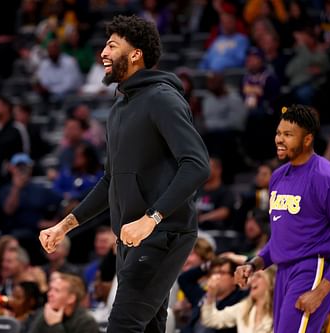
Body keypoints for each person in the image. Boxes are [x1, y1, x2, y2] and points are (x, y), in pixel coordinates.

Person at [39, 15, 210, 333]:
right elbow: (110, 181)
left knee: (122, 326)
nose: (103, 52)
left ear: (136, 54)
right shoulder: (117, 109)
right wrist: (65, 226)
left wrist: (151, 218)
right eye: (105, 44)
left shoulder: (162, 98)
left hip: (162, 234)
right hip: (130, 239)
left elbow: (197, 165)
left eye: (112, 45)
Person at [234, 105, 330, 333]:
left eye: (288, 135)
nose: (279, 140)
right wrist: (254, 264)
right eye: (278, 133)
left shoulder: (326, 178)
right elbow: (280, 239)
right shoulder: (277, 177)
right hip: (283, 271)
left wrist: (321, 291)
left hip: (313, 268)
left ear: (307, 140)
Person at [201, 266, 276, 333]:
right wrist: (211, 294)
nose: (252, 280)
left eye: (258, 276)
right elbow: (211, 319)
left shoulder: (279, 312)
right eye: (252, 276)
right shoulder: (243, 308)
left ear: (271, 282)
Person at [27, 272, 99, 333]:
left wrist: (55, 325)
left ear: (71, 298)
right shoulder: (45, 313)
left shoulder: (86, 322)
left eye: (56, 290)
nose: (49, 294)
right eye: (50, 289)